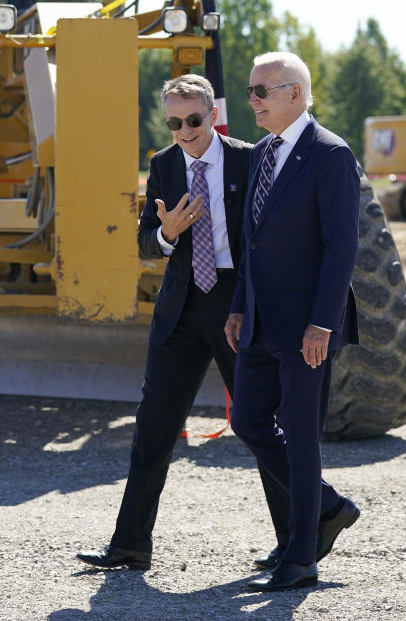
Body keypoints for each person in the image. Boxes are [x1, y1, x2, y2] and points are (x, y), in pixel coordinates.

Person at [76, 74, 289, 571]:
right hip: (180, 310)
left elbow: (270, 235)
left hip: (237, 306)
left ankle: (295, 542)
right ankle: (129, 544)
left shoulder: (249, 157)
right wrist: (167, 234)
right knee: (152, 430)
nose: (185, 131)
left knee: (260, 425)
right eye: (174, 122)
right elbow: (145, 238)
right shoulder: (164, 165)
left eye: (193, 120)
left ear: (212, 115)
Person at [224, 52, 361, 591]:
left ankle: (301, 557)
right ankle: (326, 507)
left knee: (302, 439)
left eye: (262, 91)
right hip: (259, 319)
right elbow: (249, 242)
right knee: (249, 421)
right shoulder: (261, 153)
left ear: (295, 95)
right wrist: (239, 304)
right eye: (251, 90)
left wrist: (322, 324)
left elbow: (340, 248)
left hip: (308, 327)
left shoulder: (331, 155)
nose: (252, 100)